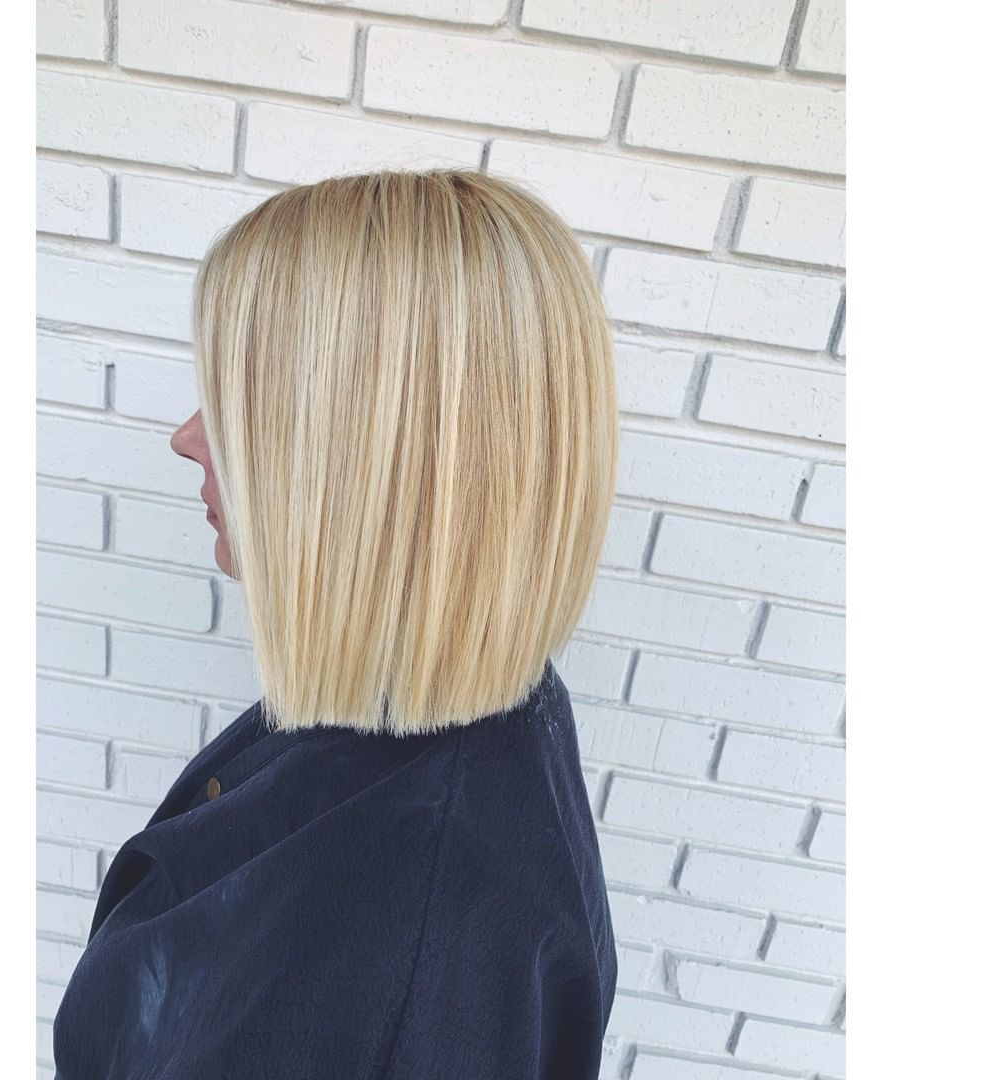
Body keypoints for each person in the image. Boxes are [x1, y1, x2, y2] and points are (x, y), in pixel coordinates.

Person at [51, 168, 619, 1079]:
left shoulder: (410, 954)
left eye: (238, 403)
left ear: (369, 463)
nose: (189, 438)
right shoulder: (424, 706)